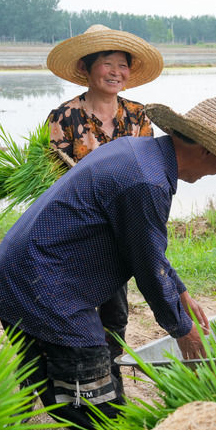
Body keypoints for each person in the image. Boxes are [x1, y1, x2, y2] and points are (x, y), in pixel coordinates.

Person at [0, 96, 216, 430]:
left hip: (21, 277)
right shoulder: (148, 182)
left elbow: (145, 245)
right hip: (44, 290)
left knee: (53, 386)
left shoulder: (138, 153)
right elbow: (147, 267)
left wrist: (181, 293)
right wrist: (184, 331)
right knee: (99, 416)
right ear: (207, 152)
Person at [45, 24, 164, 389]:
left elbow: (148, 172)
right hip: (76, 231)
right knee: (71, 312)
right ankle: (69, 381)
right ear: (86, 67)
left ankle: (111, 385)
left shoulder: (139, 116)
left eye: (122, 65)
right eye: (107, 63)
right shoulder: (63, 117)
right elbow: (54, 180)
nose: (116, 72)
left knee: (115, 314)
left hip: (119, 232)